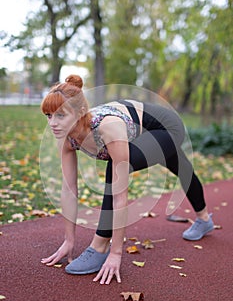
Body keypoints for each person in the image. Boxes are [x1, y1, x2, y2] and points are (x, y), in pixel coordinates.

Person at [40, 74, 214, 285]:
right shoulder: (66, 137)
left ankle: (100, 246)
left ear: (81, 113)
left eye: (60, 115)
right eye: (49, 115)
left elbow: (120, 196)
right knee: (182, 168)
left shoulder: (107, 128)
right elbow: (69, 189)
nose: (52, 123)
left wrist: (116, 253)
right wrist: (69, 240)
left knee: (117, 168)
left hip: (167, 127)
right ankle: (205, 220)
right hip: (140, 128)